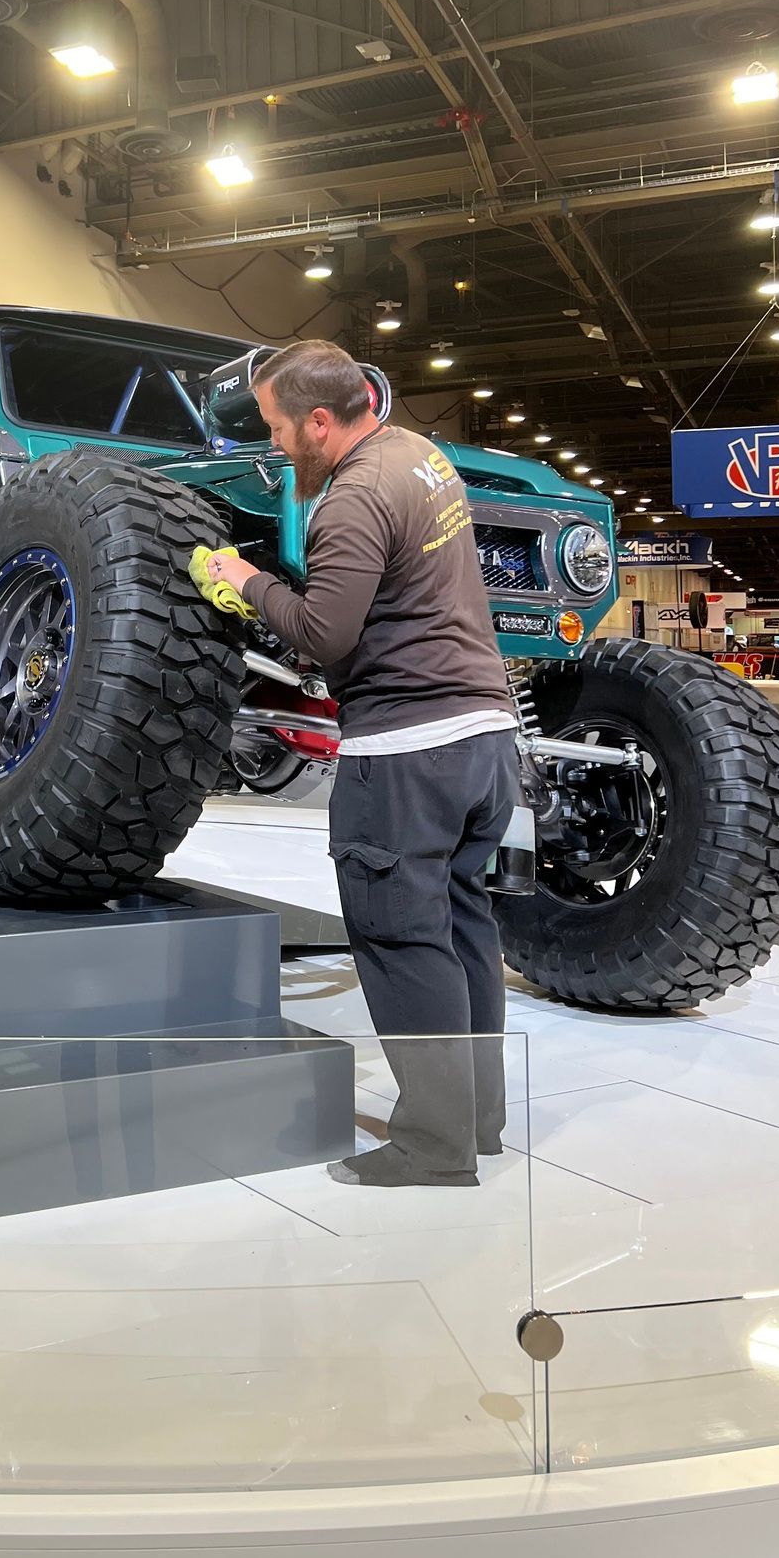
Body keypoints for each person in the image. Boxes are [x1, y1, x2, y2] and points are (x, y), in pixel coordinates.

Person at [205, 340, 520, 1190]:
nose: (274, 446)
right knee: (461, 930)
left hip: (408, 753)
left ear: (319, 419)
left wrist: (245, 580)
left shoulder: (352, 499)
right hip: (487, 741)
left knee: (400, 939)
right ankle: (477, 1124)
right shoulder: (421, 457)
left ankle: (432, 1147)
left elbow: (321, 635)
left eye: (277, 428)